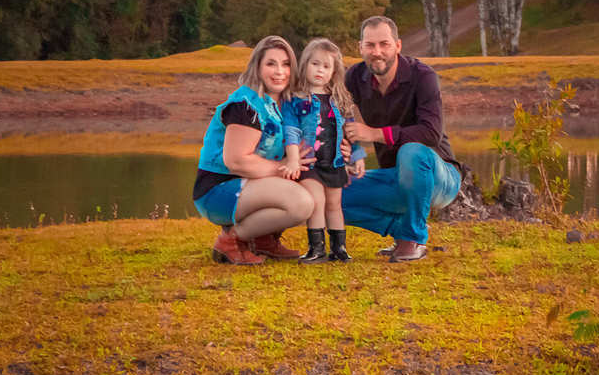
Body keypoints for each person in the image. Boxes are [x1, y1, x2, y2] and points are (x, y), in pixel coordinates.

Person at [341, 16, 461, 262]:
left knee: (411, 151)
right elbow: (335, 115)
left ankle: (414, 239)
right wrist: (351, 151)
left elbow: (431, 132)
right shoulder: (354, 77)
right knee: (329, 193)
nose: (377, 52)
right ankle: (401, 230)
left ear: (398, 45)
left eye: (384, 44)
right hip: (394, 178)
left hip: (439, 177)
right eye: (370, 45)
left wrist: (374, 134)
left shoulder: (423, 76)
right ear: (360, 48)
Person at [192, 36, 313, 264]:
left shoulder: (286, 106)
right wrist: (283, 167)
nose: (279, 71)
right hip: (218, 190)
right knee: (301, 203)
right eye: (271, 64)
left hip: (251, 186)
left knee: (313, 183)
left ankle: (264, 240)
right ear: (257, 67)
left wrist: (346, 149)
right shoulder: (246, 105)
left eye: (286, 64)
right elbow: (236, 161)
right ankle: (231, 240)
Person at [281, 38, 367, 265]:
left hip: (335, 162)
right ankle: (316, 248)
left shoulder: (340, 99)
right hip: (309, 163)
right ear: (305, 64)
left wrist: (357, 156)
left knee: (334, 205)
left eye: (326, 66)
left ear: (334, 71)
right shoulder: (295, 100)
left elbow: (350, 132)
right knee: (316, 202)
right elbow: (290, 131)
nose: (320, 70)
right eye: (315, 64)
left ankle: (339, 248)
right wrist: (292, 159)